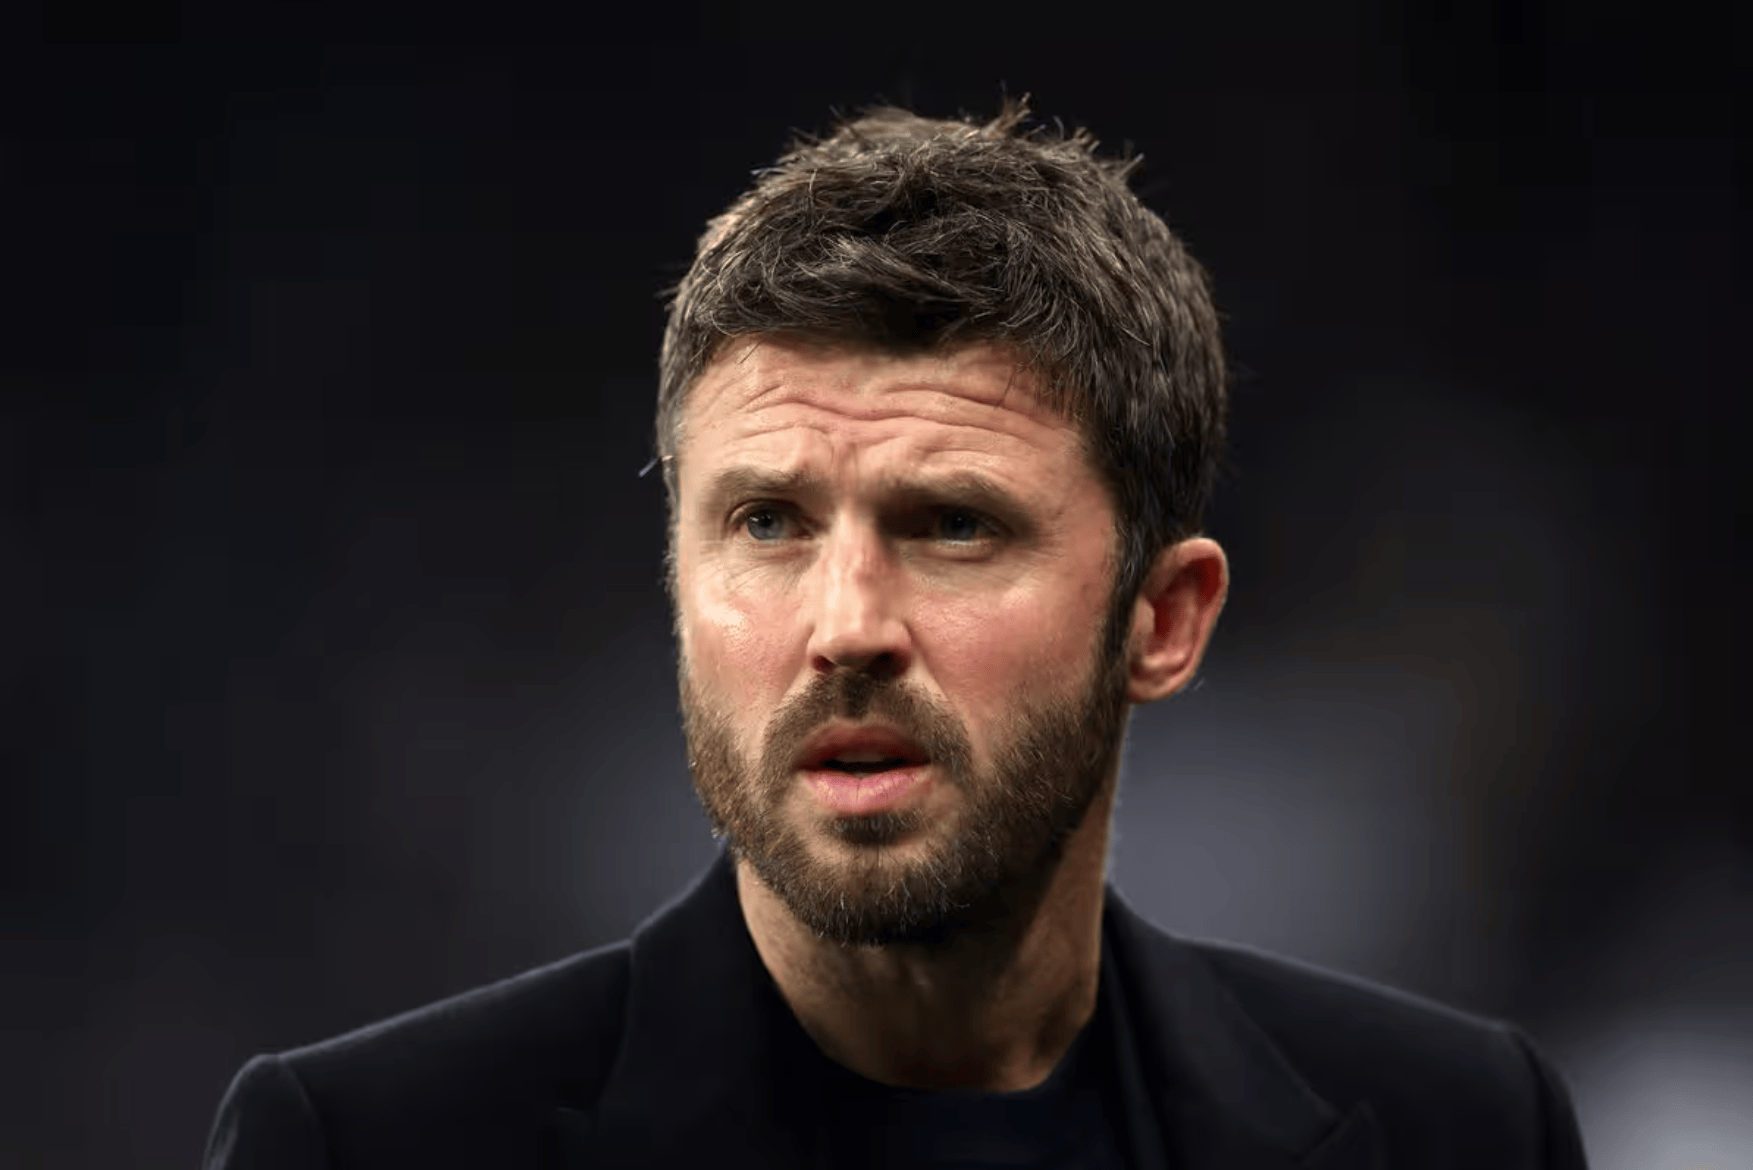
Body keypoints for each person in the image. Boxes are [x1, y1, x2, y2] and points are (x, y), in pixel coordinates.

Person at [204, 93, 1590, 1169]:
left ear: (1163, 621)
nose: (848, 626)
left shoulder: (1463, 1129)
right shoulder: (366, 1146)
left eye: (955, 526)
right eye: (768, 523)